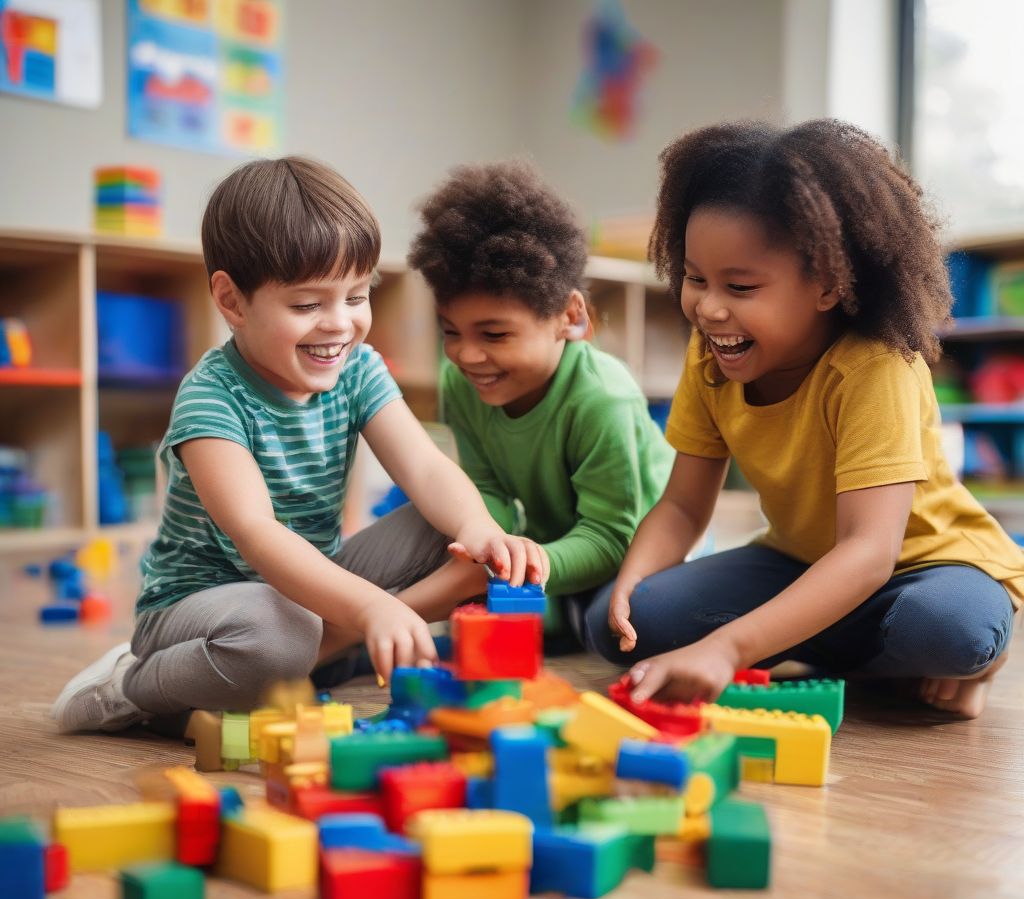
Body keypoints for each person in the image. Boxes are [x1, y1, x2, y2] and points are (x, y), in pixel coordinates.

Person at [53, 156, 546, 734]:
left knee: (462, 534)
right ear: (233, 302)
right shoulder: (211, 397)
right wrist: (369, 606)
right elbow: (258, 536)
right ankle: (131, 686)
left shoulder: (358, 368)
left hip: (306, 587)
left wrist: (481, 531)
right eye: (308, 305)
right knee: (278, 634)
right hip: (202, 607)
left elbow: (427, 469)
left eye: (356, 296)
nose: (339, 324)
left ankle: (324, 649)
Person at [584, 119, 1024, 719]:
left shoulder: (874, 367)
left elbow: (869, 552)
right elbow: (685, 507)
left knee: (950, 631)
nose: (709, 309)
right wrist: (634, 581)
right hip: (799, 560)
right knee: (623, 623)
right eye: (694, 279)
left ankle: (959, 656)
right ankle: (858, 660)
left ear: (825, 285)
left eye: (740, 286)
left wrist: (728, 646)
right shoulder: (712, 355)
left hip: (925, 567)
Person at [407, 160, 674, 645]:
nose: (467, 354)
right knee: (480, 607)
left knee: (619, 625)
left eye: (495, 334)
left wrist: (534, 564)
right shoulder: (458, 383)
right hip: (553, 554)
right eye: (451, 331)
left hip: (640, 557)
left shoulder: (602, 398)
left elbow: (613, 538)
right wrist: (486, 548)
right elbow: (485, 494)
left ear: (569, 317)